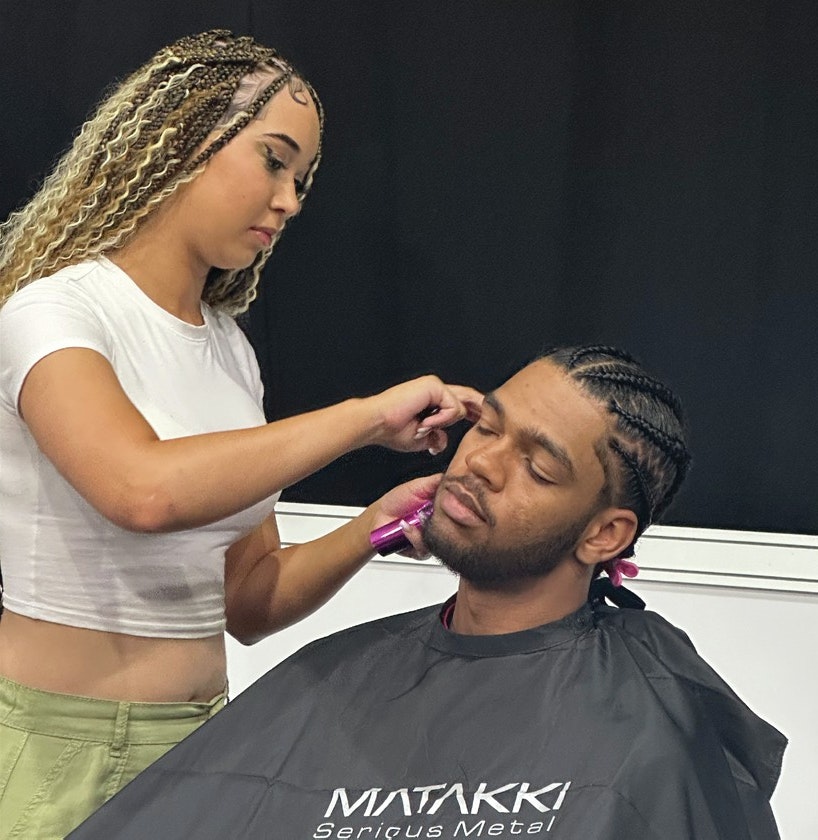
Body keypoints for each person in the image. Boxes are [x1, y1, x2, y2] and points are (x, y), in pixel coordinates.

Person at [0, 30, 482, 840]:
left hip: (202, 743)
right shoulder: (54, 312)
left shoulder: (228, 351)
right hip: (56, 750)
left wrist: (378, 523)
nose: (290, 200)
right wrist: (367, 418)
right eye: (273, 161)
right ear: (181, 138)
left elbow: (249, 600)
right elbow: (142, 490)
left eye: (301, 180)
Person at [68, 345, 786, 840]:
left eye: (538, 468)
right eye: (487, 427)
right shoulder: (334, 676)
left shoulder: (653, 740)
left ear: (605, 534)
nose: (482, 465)